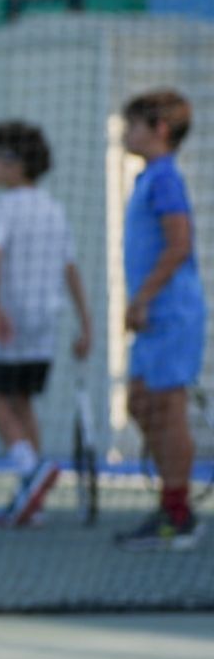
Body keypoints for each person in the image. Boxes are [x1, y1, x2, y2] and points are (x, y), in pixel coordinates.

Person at [0, 120, 93, 527]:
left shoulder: (2, 206)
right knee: (21, 400)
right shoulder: (54, 209)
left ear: (13, 163)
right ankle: (32, 499)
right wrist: (87, 324)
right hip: (46, 322)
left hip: (9, 320)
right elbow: (71, 268)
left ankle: (30, 470)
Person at [115, 89, 202, 551]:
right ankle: (175, 501)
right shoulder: (148, 179)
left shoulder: (166, 178)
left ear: (160, 130)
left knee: (168, 411)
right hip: (153, 318)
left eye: (134, 125)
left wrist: (142, 299)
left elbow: (179, 244)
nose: (126, 132)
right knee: (140, 404)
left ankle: (177, 513)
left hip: (171, 314)